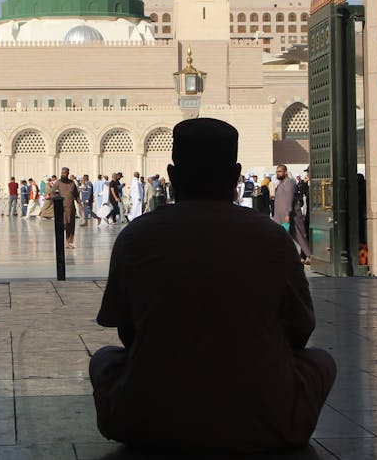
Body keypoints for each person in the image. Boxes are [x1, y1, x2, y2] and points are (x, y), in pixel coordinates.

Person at [90, 118, 336, 453]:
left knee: (104, 359)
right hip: (266, 422)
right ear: (235, 177)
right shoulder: (271, 239)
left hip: (150, 422)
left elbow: (127, 332)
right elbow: (300, 330)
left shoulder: (136, 237)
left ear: (173, 176)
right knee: (321, 361)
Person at [275, 164, 310, 264]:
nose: (278, 173)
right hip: (280, 216)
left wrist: (287, 213)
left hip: (291, 215)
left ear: (285, 172)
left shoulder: (289, 183)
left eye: (280, 171)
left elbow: (289, 199)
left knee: (299, 235)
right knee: (283, 237)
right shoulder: (280, 184)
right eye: (277, 172)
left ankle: (309, 255)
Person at [54, 167, 79, 248]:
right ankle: (61, 242)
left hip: (71, 208)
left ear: (68, 173)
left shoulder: (72, 183)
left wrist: (80, 204)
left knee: (70, 226)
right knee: (63, 225)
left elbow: (76, 195)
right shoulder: (58, 182)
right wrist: (56, 200)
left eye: (64, 173)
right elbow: (52, 193)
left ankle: (69, 242)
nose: (63, 174)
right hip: (61, 208)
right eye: (62, 173)